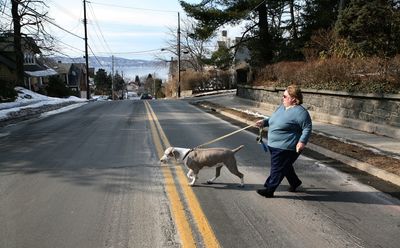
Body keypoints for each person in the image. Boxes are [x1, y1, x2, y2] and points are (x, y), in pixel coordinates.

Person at [255, 84, 312, 198]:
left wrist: (302, 142)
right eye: (283, 96)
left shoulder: (301, 112)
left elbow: (307, 128)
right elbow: (273, 119)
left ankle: (269, 189)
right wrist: (264, 122)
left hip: (286, 146)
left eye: (285, 96)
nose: (283, 98)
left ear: (294, 99)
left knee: (277, 168)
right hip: (274, 145)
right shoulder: (281, 107)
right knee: (285, 166)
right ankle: (295, 182)